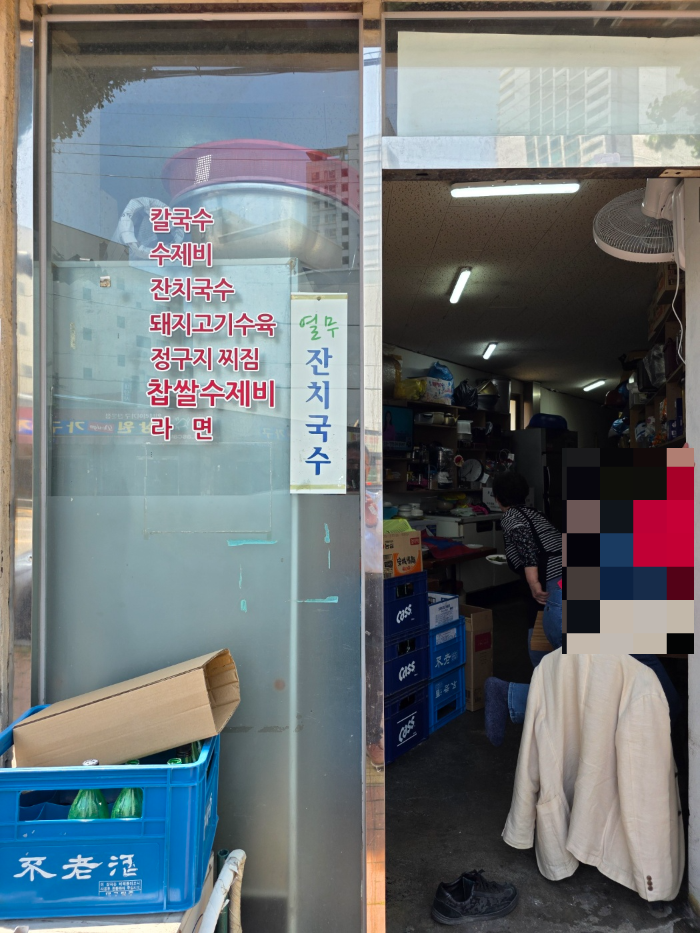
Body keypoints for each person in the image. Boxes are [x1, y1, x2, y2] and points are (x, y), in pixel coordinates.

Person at [491, 471, 562, 664]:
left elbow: (525, 542)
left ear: (497, 498)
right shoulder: (535, 513)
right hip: (562, 574)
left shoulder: (510, 516)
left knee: (561, 644)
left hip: (551, 579)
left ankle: (547, 676)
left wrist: (533, 582)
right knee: (541, 626)